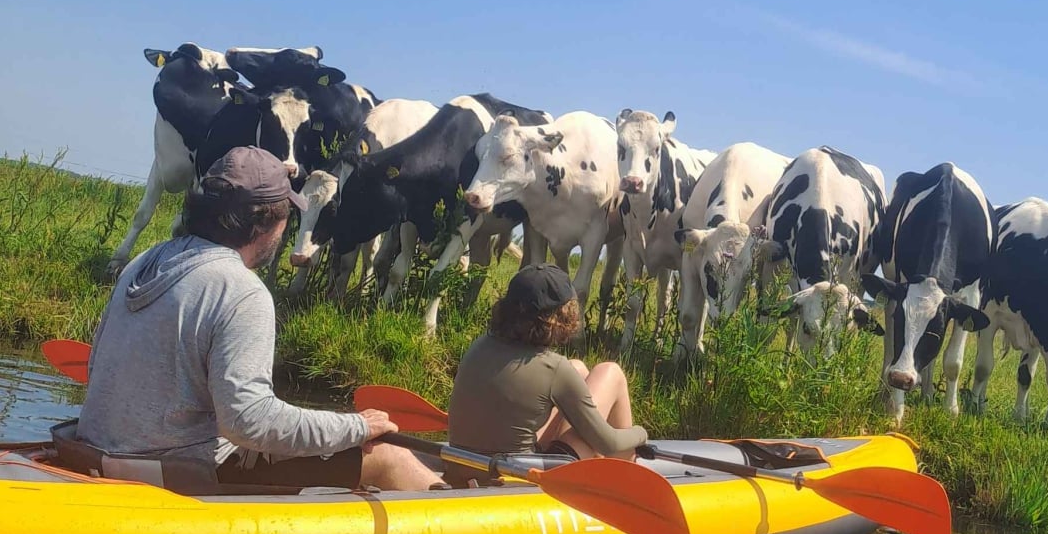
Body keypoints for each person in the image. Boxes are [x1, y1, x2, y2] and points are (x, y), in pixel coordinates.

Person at [78, 145, 441, 492]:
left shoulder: (144, 261)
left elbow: (97, 367)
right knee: (387, 456)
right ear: (266, 220)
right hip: (176, 474)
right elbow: (248, 421)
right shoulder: (241, 290)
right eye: (286, 215)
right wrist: (357, 426)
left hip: (98, 454)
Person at [446, 264, 646, 482]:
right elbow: (608, 443)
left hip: (465, 465)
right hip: (517, 476)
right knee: (610, 371)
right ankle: (626, 478)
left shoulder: (479, 345)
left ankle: (614, 471)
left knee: (578, 368)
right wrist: (640, 434)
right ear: (562, 315)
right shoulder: (554, 368)